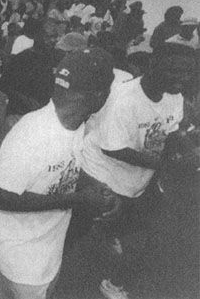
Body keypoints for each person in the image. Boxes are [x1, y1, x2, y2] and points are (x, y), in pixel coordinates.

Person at [0, 48, 119, 299]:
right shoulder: (31, 134)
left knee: (15, 292)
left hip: (47, 243)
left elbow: (65, 167)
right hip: (19, 251)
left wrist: (95, 185)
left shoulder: (77, 125)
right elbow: (0, 196)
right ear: (100, 96)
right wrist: (78, 200)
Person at [74, 43, 197, 299]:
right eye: (175, 70)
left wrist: (186, 150)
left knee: (136, 227)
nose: (182, 79)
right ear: (153, 64)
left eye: (189, 72)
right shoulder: (124, 98)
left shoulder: (173, 95)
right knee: (76, 229)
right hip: (101, 175)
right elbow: (112, 149)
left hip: (136, 178)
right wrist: (164, 166)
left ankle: (109, 239)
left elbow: (172, 130)